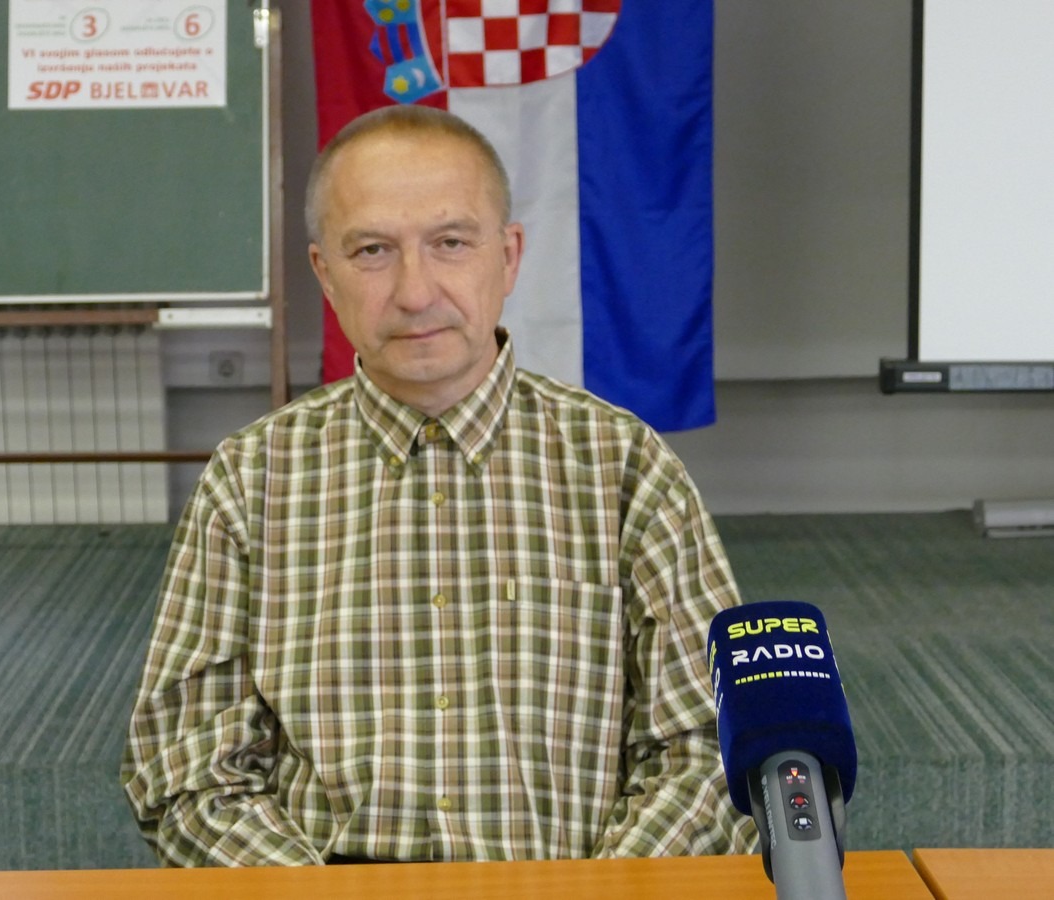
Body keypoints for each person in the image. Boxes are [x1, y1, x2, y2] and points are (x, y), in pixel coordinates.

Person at [122, 105, 757, 866]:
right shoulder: (250, 482)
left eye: (450, 243)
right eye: (372, 251)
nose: (416, 291)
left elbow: (708, 750)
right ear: (325, 274)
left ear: (508, 257)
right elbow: (187, 769)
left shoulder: (625, 468)